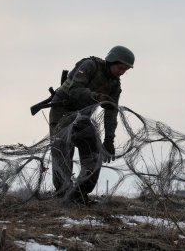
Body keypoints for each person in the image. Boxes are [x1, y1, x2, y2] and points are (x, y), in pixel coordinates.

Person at [48, 45, 134, 204]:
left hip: (82, 118)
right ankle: (63, 196)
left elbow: (111, 112)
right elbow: (74, 92)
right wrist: (99, 97)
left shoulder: (115, 85)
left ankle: (79, 195)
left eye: (125, 70)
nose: (122, 72)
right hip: (62, 113)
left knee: (94, 155)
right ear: (111, 61)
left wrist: (109, 140)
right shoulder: (89, 66)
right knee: (62, 152)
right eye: (120, 67)